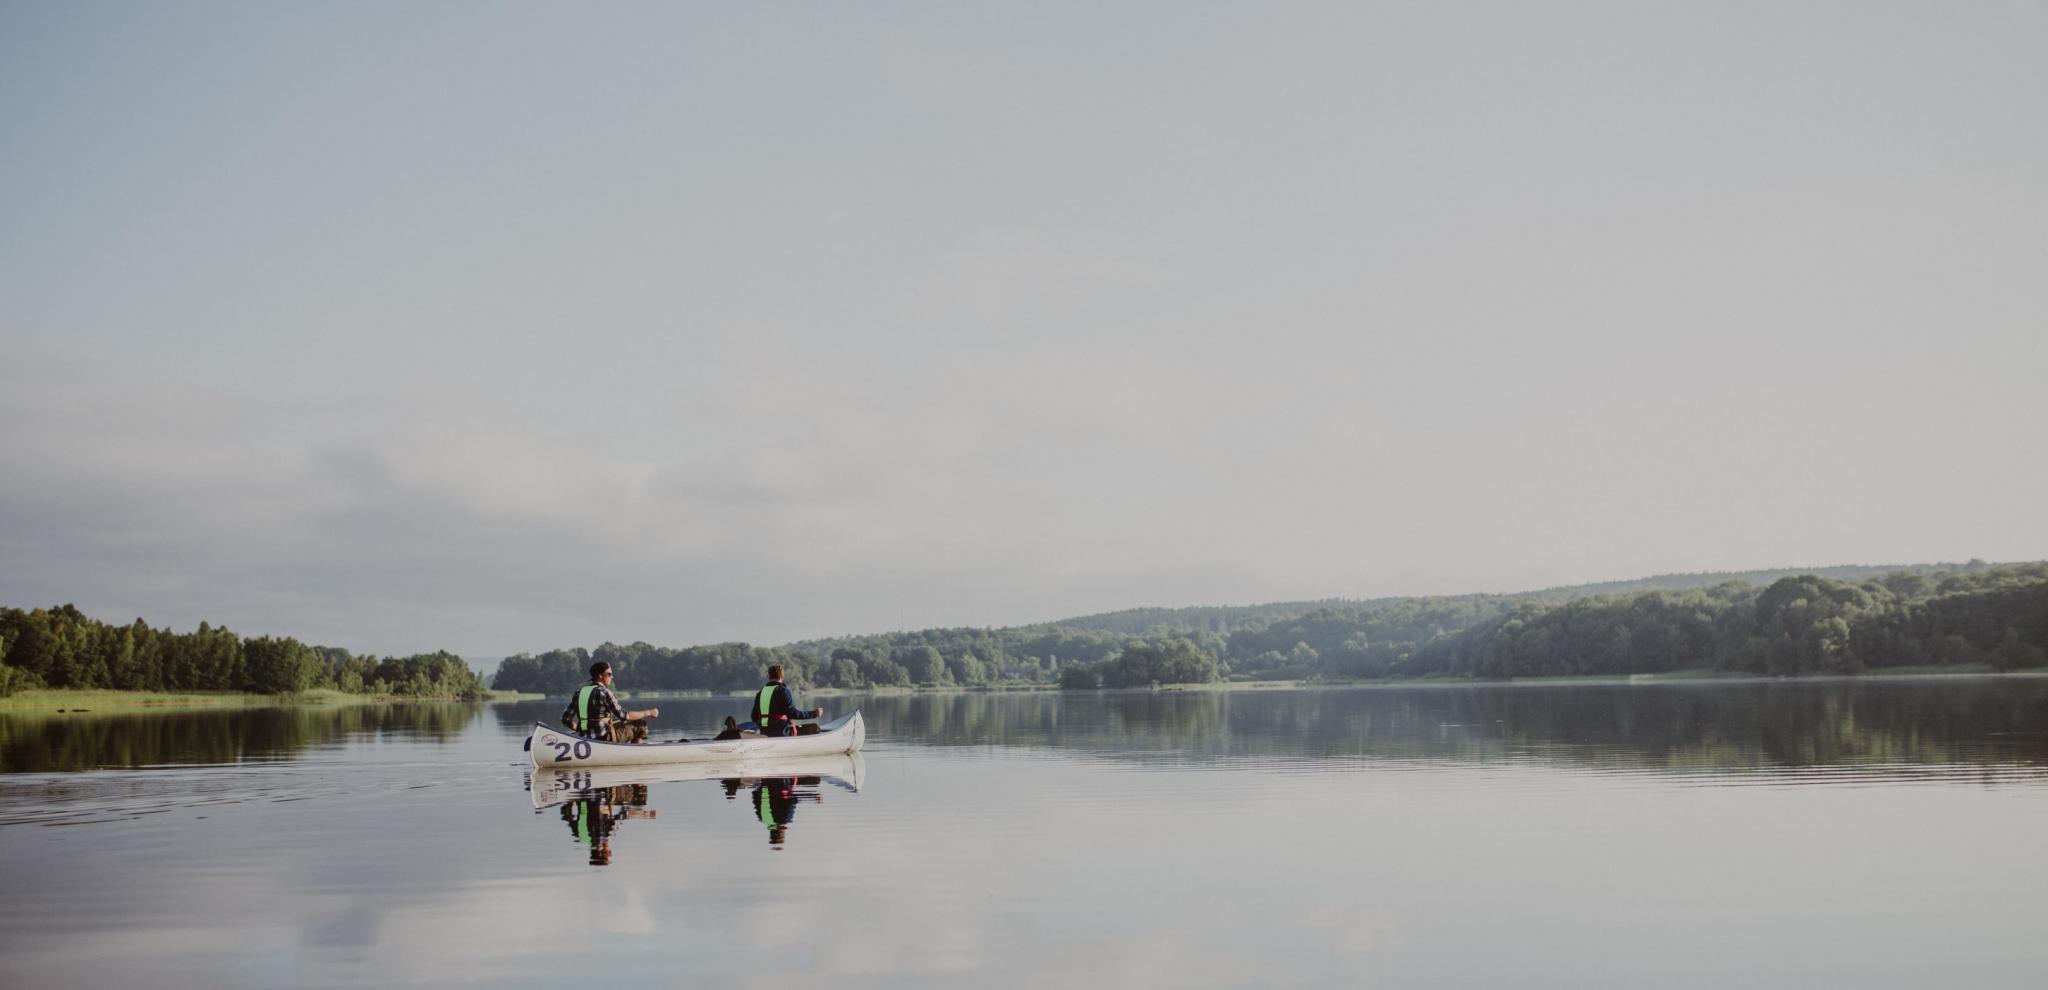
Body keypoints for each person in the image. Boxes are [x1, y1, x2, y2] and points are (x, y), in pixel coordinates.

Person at [564, 661, 659, 744]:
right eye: (609, 674)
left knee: (615, 723)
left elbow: (566, 720)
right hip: (605, 738)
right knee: (640, 724)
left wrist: (581, 731)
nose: (612, 676)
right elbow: (624, 716)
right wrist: (648, 712)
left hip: (584, 737)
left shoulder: (579, 692)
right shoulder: (605, 692)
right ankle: (636, 754)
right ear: (600, 675)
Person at [750, 664, 822, 738]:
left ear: (769, 676)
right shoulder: (784, 690)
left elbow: (754, 717)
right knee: (815, 727)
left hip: (764, 732)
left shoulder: (761, 693)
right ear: (782, 676)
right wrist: (814, 714)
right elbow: (792, 713)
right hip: (782, 732)